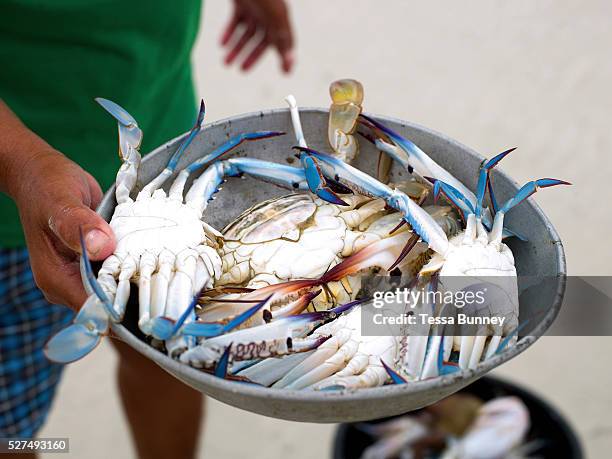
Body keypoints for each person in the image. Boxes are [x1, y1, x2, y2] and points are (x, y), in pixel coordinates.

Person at [0, 1, 294, 457]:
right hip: (12, 211)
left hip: (157, 136)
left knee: (164, 356)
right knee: (7, 425)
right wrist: (21, 167)